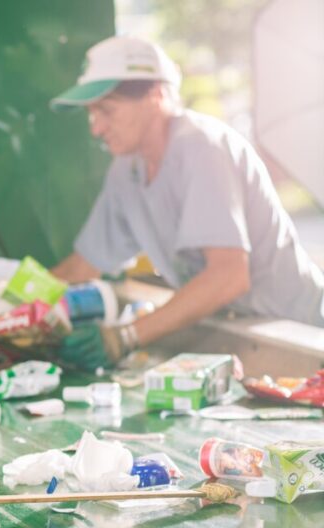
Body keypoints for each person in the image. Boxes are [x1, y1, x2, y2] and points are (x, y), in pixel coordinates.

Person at [48, 35, 324, 371]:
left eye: (106, 110)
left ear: (155, 95)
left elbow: (227, 277)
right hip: (235, 335)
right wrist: (3, 302)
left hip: (299, 334)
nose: (96, 128)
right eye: (92, 114)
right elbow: (82, 266)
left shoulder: (203, 148)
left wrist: (125, 337)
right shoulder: (127, 170)